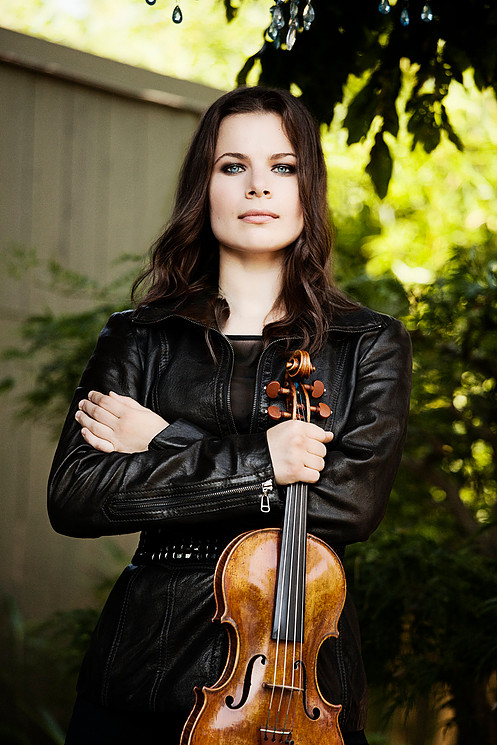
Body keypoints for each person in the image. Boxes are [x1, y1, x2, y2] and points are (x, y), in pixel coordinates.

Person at [48, 86, 412, 745]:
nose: (257, 187)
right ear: (204, 186)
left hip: (301, 680)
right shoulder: (140, 336)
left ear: (308, 187)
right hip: (144, 668)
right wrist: (265, 464)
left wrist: (162, 437)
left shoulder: (367, 342)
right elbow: (75, 495)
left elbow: (349, 505)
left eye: (283, 166)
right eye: (231, 166)